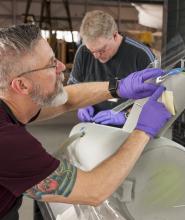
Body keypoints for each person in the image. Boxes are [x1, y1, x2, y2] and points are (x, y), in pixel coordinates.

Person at [0, 24, 171, 220]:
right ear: (22, 85)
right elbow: (93, 190)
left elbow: (67, 101)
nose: (62, 66)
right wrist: (143, 131)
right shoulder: (7, 142)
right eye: (50, 64)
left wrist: (119, 87)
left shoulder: (11, 100)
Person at [68, 10, 155, 127]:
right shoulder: (83, 52)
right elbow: (73, 89)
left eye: (101, 50)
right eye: (91, 51)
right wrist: (82, 104)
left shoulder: (141, 55)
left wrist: (126, 116)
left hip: (132, 130)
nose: (96, 56)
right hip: (94, 127)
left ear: (115, 35)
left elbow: (157, 100)